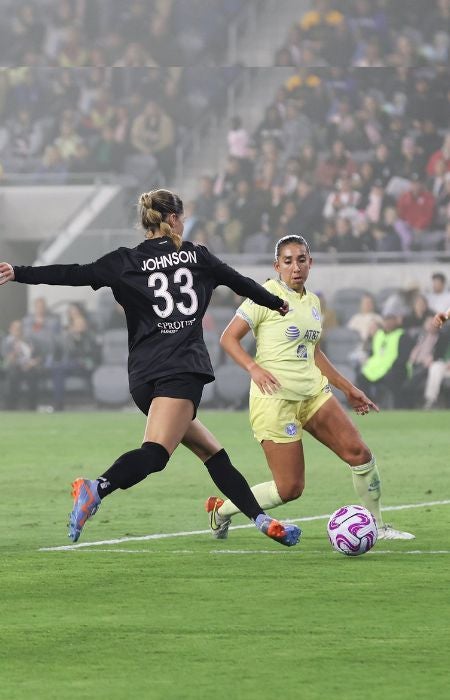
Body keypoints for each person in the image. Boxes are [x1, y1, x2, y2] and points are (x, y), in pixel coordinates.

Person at [0, 188, 300, 548]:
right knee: (156, 455)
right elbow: (242, 284)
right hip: (180, 372)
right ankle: (96, 487)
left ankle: (261, 519)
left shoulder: (124, 261)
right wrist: (277, 303)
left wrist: (19, 272)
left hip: (143, 378)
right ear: (172, 219)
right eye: (182, 217)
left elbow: (72, 273)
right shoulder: (196, 256)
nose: (184, 223)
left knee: (213, 453)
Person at [206, 235, 414, 542]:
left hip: (313, 395)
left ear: (310, 263)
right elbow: (227, 338)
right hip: (275, 402)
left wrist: (347, 387)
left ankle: (379, 527)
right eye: (288, 261)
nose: (295, 267)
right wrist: (253, 367)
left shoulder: (313, 303)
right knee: (290, 488)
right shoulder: (264, 294)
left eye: (301, 259)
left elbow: (313, 352)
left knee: (360, 454)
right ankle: (222, 510)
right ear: (277, 266)